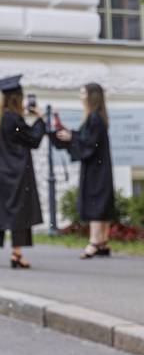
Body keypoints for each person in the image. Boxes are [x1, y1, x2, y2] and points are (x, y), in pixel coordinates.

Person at [0, 75, 45, 268]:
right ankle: (16, 254)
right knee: (20, 212)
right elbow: (32, 140)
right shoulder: (14, 119)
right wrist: (40, 119)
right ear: (18, 99)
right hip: (16, 173)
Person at [53, 83, 115, 258]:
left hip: (96, 169)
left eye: (83, 93)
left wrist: (72, 136)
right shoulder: (96, 117)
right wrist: (71, 135)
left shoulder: (94, 118)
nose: (80, 96)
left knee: (96, 201)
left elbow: (89, 143)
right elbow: (85, 138)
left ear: (91, 96)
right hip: (99, 167)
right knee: (101, 201)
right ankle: (102, 241)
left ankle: (94, 242)